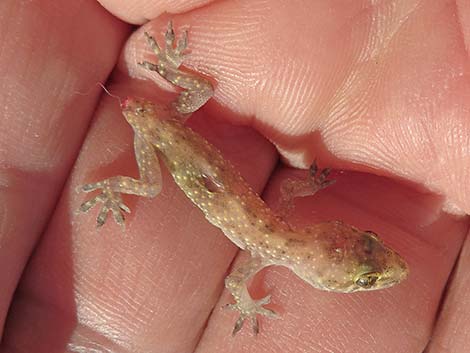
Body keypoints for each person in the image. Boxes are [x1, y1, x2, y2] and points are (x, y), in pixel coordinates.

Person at [0, 1, 468, 352]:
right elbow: (231, 285)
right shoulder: (264, 246)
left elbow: (285, 196)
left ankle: (163, 73)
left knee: (196, 99)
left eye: (365, 271)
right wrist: (245, 303)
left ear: (333, 235)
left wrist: (311, 186)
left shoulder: (278, 228)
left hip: (167, 124)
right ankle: (111, 185)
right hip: (157, 132)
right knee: (150, 184)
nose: (388, 267)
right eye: (363, 279)